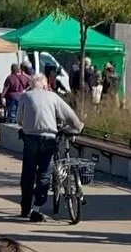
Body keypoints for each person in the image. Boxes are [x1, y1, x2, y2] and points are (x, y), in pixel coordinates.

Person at [17, 72, 84, 221]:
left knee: (28, 173)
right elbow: (69, 114)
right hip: (48, 138)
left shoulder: (25, 96)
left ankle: (25, 208)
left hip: (30, 138)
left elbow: (19, 120)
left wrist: (28, 124)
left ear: (32, 84)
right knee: (45, 173)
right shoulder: (53, 97)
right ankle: (37, 208)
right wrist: (78, 127)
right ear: (45, 84)